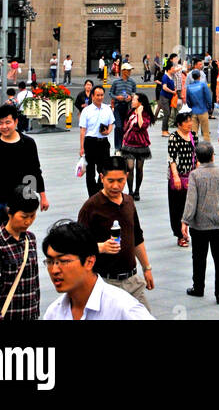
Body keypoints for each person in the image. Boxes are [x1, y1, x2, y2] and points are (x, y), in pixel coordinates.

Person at [77, 154, 154, 310]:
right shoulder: (91, 207)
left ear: (126, 176)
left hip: (132, 281)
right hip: (106, 283)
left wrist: (146, 268)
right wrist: (100, 247)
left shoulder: (128, 202)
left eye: (121, 181)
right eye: (110, 181)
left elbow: (137, 238)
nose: (115, 186)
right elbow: (78, 246)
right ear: (101, 178)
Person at [42, 219, 154, 321]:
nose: (54, 270)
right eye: (50, 262)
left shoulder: (123, 309)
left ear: (89, 262)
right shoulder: (53, 313)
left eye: (64, 261)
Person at [0, 103, 49, 240]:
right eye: (0, 123)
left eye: (8, 122)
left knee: (17, 238)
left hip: (19, 202)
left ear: (16, 121)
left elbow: (35, 172)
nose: (4, 126)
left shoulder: (28, 144)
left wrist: (42, 196)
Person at [0, 185, 40, 321]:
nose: (28, 221)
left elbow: (35, 284)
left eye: (32, 216)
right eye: (23, 216)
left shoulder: (31, 240)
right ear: (9, 212)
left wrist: (36, 312)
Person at [181, 141, 219, 303]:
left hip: (200, 224)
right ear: (213, 155)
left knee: (199, 257)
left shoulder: (195, 175)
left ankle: (198, 287)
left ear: (197, 158)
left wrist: (185, 221)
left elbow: (191, 200)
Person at [78, 84, 114, 197]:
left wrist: (108, 131)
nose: (100, 97)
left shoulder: (107, 109)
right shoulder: (86, 111)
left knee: (103, 170)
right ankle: (91, 195)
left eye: (102, 95)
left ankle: (100, 191)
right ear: (92, 96)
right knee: (90, 171)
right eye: (97, 95)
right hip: (90, 142)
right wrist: (82, 147)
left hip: (103, 142)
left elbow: (111, 123)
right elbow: (83, 130)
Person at [168, 107, 198, 245]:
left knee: (191, 205)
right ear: (179, 124)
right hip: (179, 175)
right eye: (186, 122)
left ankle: (190, 231)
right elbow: (172, 159)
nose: (189, 123)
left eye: (190, 121)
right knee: (177, 207)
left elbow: (196, 156)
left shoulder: (193, 136)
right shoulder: (174, 137)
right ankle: (180, 235)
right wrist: (175, 176)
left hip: (191, 175)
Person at [120, 91, 152, 199]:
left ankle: (137, 190)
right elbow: (125, 127)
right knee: (129, 167)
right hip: (129, 142)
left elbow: (142, 125)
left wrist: (139, 113)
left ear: (140, 102)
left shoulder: (145, 113)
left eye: (134, 100)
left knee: (139, 168)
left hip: (141, 143)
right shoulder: (130, 112)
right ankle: (130, 191)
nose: (132, 101)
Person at [109, 63, 137, 151]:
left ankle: (126, 144)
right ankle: (118, 147)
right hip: (118, 106)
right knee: (118, 126)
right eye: (128, 70)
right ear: (123, 71)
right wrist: (117, 97)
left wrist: (131, 97)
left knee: (127, 127)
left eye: (130, 70)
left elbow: (134, 93)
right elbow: (110, 93)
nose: (129, 72)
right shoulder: (116, 82)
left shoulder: (132, 82)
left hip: (128, 107)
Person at [185, 68, 213, 141]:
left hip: (194, 111)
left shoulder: (189, 87)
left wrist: (192, 107)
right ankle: (208, 151)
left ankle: (194, 150)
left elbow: (188, 101)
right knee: (206, 133)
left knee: (193, 133)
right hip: (203, 110)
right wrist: (209, 107)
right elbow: (208, 98)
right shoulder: (203, 85)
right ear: (199, 76)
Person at [156, 57, 179, 132]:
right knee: (167, 113)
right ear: (169, 69)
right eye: (173, 68)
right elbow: (164, 87)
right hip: (164, 97)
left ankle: (166, 130)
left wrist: (174, 89)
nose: (174, 69)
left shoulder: (170, 76)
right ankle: (164, 130)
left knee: (168, 114)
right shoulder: (165, 77)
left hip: (169, 97)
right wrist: (172, 92)